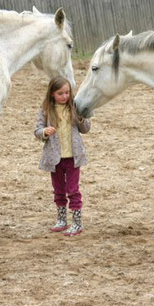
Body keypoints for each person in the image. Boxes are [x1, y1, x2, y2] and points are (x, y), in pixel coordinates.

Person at [34, 76, 91, 236]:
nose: (65, 96)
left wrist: (80, 118)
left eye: (67, 92)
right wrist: (44, 132)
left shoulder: (75, 107)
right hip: (55, 158)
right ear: (52, 94)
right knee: (58, 190)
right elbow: (37, 130)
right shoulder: (46, 110)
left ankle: (77, 223)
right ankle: (62, 220)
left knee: (73, 190)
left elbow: (85, 128)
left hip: (73, 157)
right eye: (61, 93)